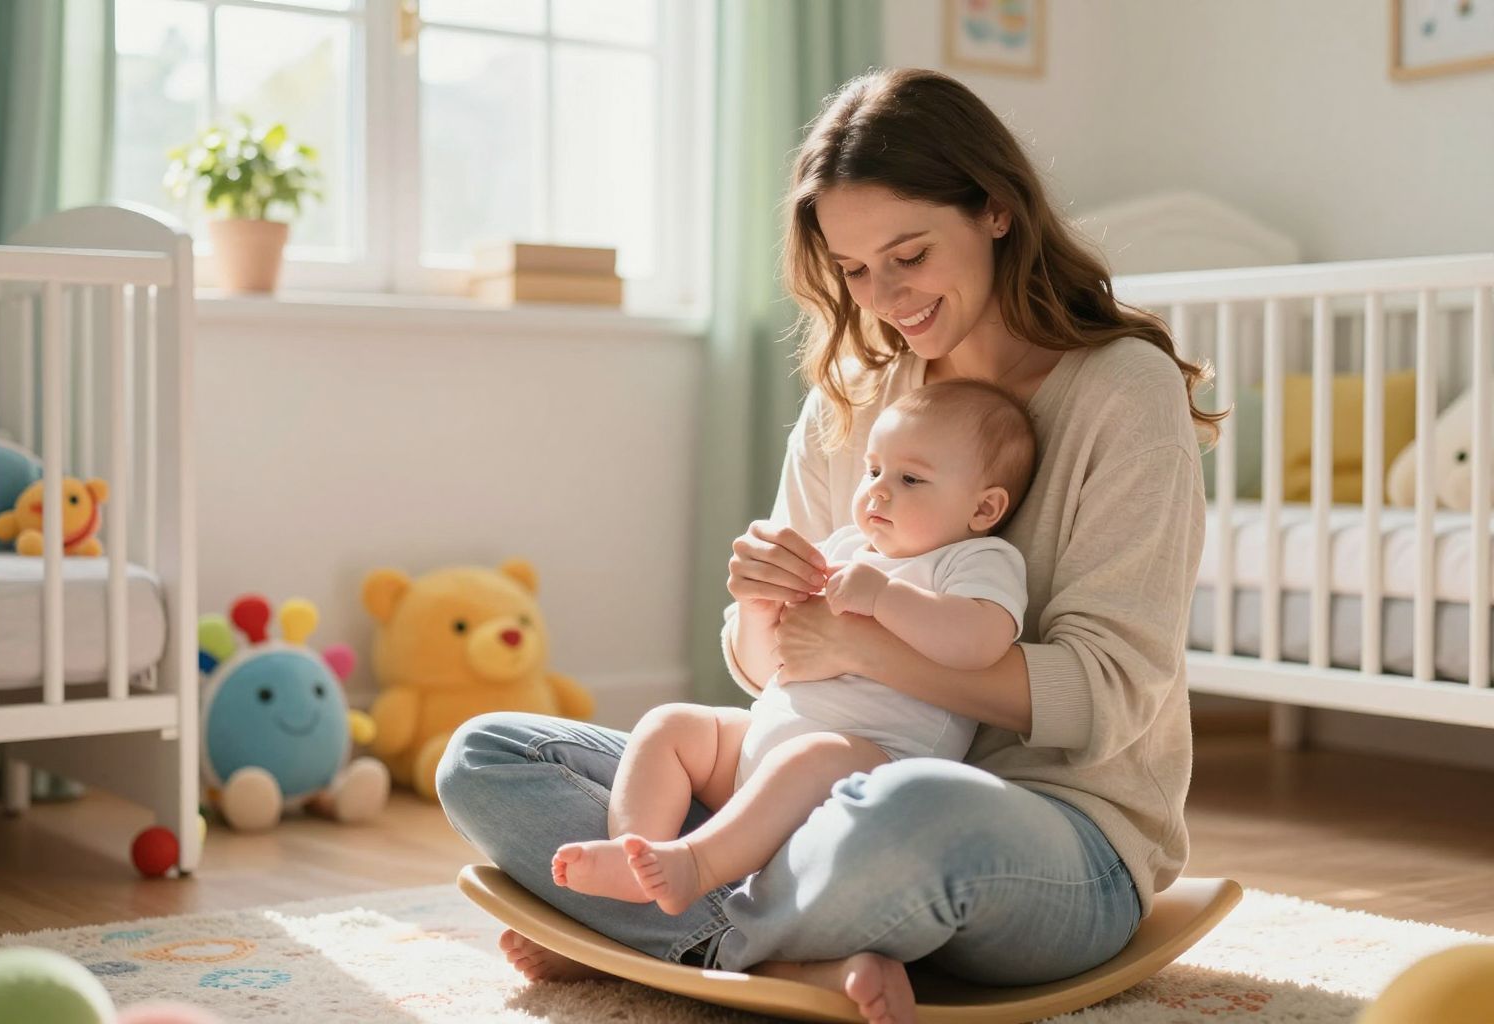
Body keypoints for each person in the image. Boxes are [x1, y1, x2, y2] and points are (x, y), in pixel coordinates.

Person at [438, 66, 1214, 1024]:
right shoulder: (853, 395)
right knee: (490, 753)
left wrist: (867, 645)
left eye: (910, 254)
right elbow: (778, 676)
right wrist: (763, 602)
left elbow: (1106, 698)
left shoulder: (1121, 393)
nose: (884, 296)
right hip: (816, 787)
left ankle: (653, 946)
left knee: (905, 812)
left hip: (1044, 834)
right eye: (854, 270)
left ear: (997, 212)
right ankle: (773, 953)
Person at [548, 380, 1033, 917]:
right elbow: (773, 658)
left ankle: (697, 867)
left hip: (870, 765)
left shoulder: (974, 560)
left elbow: (980, 642)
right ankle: (635, 856)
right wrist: (762, 603)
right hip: (762, 746)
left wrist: (885, 597)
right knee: (671, 725)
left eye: (910, 478)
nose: (877, 491)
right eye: (873, 470)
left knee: (811, 756)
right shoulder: (847, 547)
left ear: (985, 508)